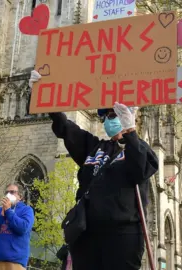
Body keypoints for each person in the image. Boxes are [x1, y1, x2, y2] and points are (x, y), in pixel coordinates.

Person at [29, 71, 159, 270]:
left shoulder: (140, 148)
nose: (109, 119)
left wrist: (131, 132)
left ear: (130, 115)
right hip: (86, 234)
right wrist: (42, 94)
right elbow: (65, 127)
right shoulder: (96, 147)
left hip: (122, 236)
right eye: (106, 116)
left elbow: (140, 169)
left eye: (114, 114)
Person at [0, 183, 34, 270]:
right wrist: (1, 217)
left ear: (20, 196)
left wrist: (9, 212)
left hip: (14, 263)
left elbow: (23, 228)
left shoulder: (26, 210)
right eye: (6, 192)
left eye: (12, 192)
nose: (8, 195)